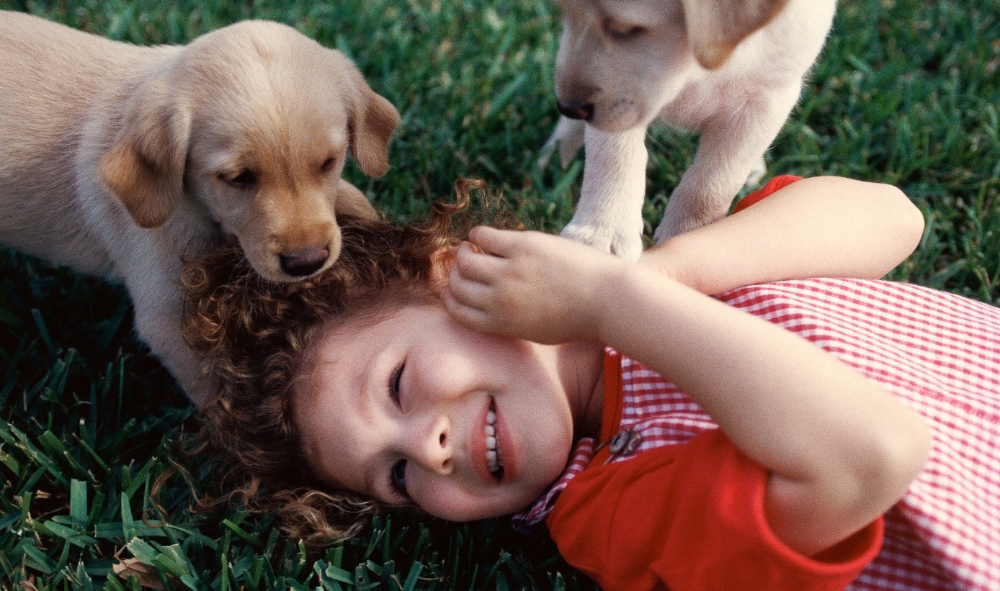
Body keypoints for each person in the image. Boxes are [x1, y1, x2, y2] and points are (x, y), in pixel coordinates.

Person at [183, 176, 1000, 591]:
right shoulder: (609, 507)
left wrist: (665, 277)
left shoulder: (677, 284)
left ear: (454, 277)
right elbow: (872, 452)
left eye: (397, 386)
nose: (426, 450)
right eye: (393, 475)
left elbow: (892, 216)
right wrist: (618, 302)